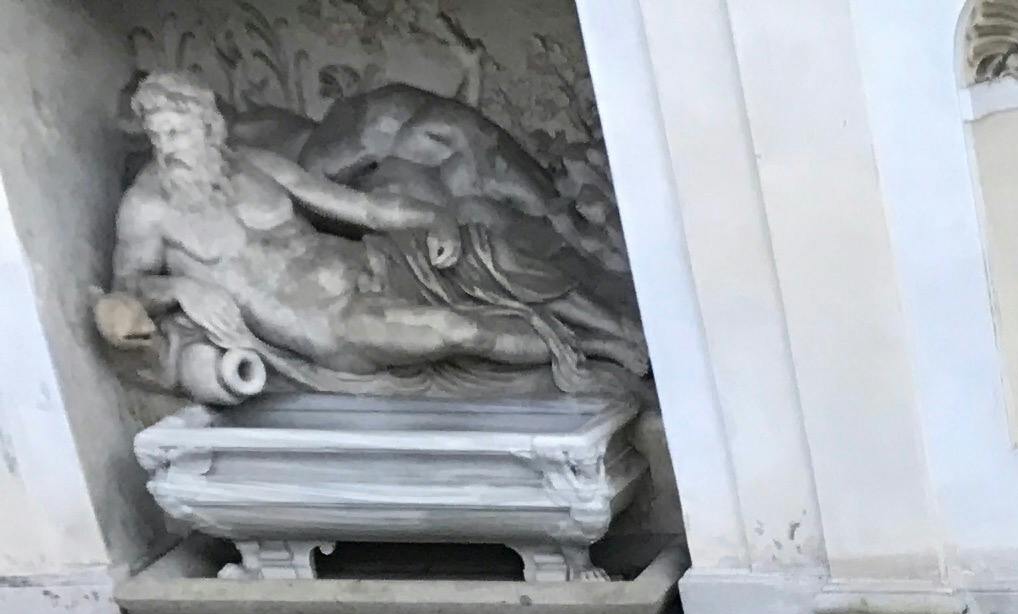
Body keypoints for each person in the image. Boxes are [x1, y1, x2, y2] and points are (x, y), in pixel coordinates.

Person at [95, 71, 642, 405]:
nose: (168, 147)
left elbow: (360, 207)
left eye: (177, 131)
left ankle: (617, 329)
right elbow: (128, 289)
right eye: (158, 135)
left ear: (208, 125)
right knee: (456, 330)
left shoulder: (256, 166)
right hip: (331, 324)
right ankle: (591, 353)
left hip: (368, 263)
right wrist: (181, 289)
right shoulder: (147, 207)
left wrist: (435, 220)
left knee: (483, 248)